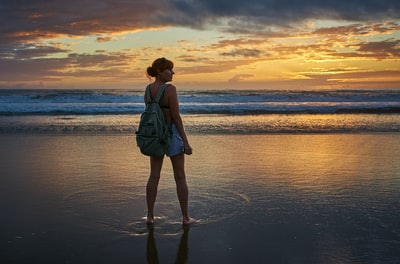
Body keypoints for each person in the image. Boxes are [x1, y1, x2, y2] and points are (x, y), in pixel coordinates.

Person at [144, 57, 195, 226]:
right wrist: (186, 142)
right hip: (171, 133)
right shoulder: (170, 89)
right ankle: (185, 217)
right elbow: (176, 117)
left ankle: (150, 216)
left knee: (154, 176)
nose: (173, 72)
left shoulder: (148, 89)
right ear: (159, 71)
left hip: (155, 135)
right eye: (169, 69)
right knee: (180, 177)